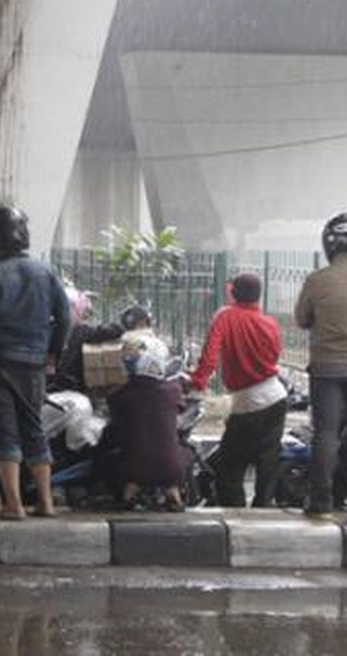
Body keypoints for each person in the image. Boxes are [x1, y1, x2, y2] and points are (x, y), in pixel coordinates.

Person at [0, 206, 70, 520]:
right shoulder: (46, 272)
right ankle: (45, 502)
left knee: (4, 430)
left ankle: (13, 505)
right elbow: (64, 317)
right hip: (33, 364)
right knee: (34, 427)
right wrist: (53, 353)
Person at [188, 272, 286, 507]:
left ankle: (237, 515)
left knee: (229, 468)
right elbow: (274, 355)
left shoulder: (225, 317)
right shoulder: (270, 323)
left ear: (233, 293)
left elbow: (210, 355)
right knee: (267, 461)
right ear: (259, 296)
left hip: (248, 403)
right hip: (277, 397)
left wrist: (198, 381)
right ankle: (263, 510)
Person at [295, 213, 347, 518]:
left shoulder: (317, 280)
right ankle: (342, 495)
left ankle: (320, 500)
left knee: (326, 433)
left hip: (326, 367)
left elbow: (302, 319)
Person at [107, 331, 188, 511]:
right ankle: (173, 494)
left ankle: (129, 495)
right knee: (181, 452)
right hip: (172, 469)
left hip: (134, 469)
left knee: (118, 459)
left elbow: (113, 417)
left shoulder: (121, 395)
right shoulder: (172, 390)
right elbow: (181, 408)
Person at [52, 284, 123, 394]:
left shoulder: (45, 328)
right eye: (85, 311)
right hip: (71, 388)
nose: (86, 316)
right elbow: (113, 330)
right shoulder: (81, 331)